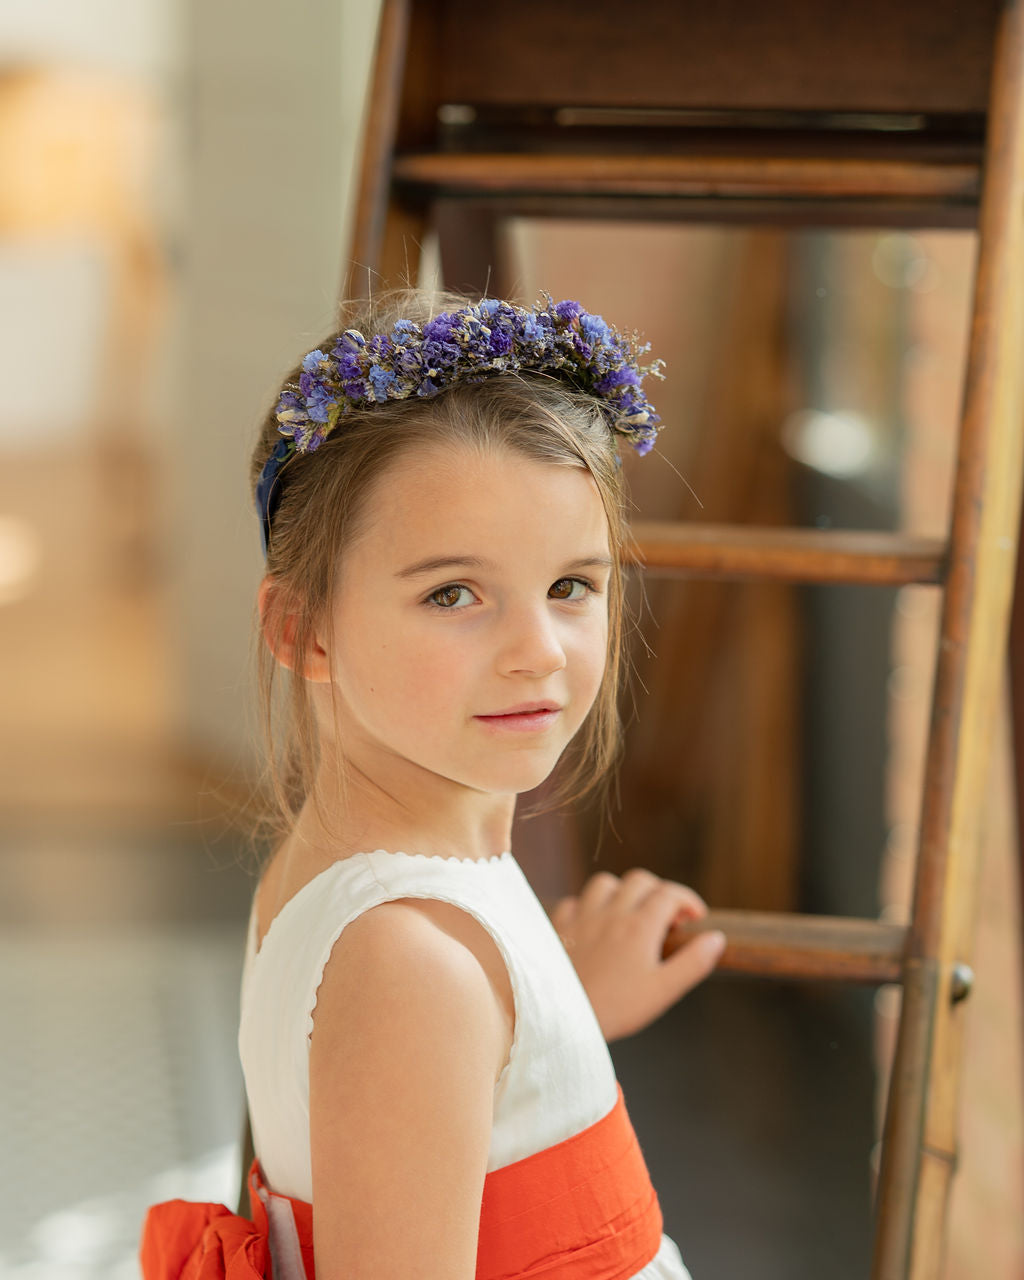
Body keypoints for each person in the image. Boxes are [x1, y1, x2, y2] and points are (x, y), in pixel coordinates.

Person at [140, 289, 727, 1279]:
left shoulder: (376, 885)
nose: (536, 650)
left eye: (570, 585)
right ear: (304, 630)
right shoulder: (412, 961)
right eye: (453, 593)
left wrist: (560, 1011)